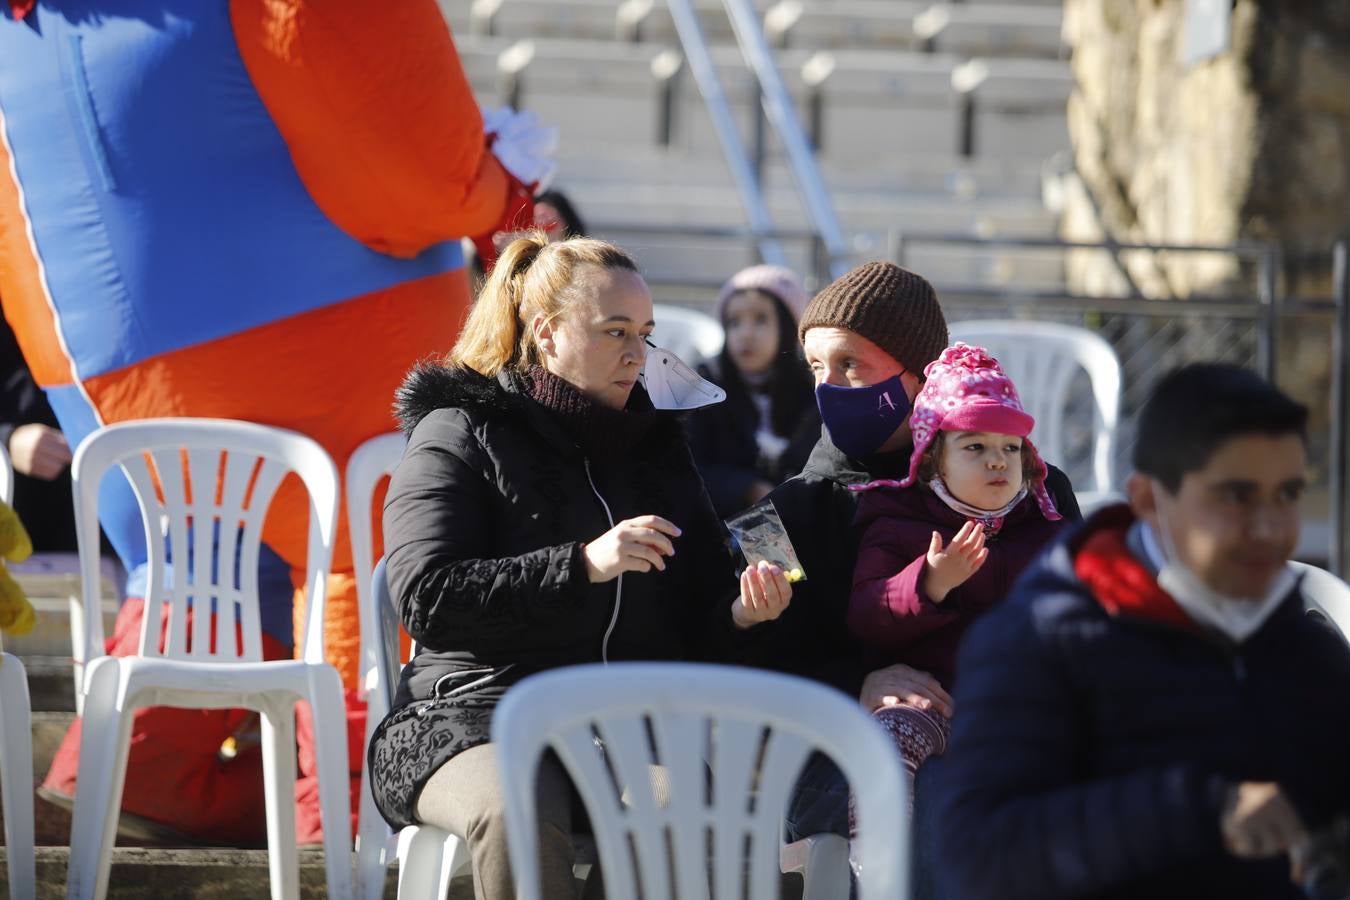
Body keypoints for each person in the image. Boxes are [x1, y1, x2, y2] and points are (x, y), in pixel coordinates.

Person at [367, 234, 791, 900]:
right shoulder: (459, 430)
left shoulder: (657, 449)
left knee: (689, 806)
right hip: (469, 715)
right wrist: (582, 565)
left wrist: (741, 611)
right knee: (517, 809)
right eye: (614, 331)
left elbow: (698, 610)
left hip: (619, 722)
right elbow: (426, 596)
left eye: (645, 333)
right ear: (547, 335)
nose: (637, 354)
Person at [932, 363, 1350, 900]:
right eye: (1236, 497)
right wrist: (1200, 810)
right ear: (1149, 501)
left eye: (1288, 495)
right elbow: (977, 858)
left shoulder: (1295, 636)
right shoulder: (1038, 641)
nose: (1270, 528)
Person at [737, 261, 1082, 855]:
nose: (829, 386)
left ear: (923, 377)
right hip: (837, 759)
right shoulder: (786, 511)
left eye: (851, 364)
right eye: (818, 366)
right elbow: (743, 650)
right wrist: (856, 682)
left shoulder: (1034, 492)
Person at [847, 343, 1067, 794]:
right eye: (974, 445)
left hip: (1019, 709)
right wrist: (928, 583)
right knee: (886, 738)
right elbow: (866, 615)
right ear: (932, 460)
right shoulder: (895, 521)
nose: (996, 460)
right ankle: (876, 854)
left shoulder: (1045, 529)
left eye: (1011, 446)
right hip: (935, 704)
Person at [686, 264, 821, 516]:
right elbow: (685, 467)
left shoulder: (814, 386)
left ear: (788, 326)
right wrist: (745, 488)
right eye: (734, 322)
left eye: (760, 319)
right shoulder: (702, 385)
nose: (745, 334)